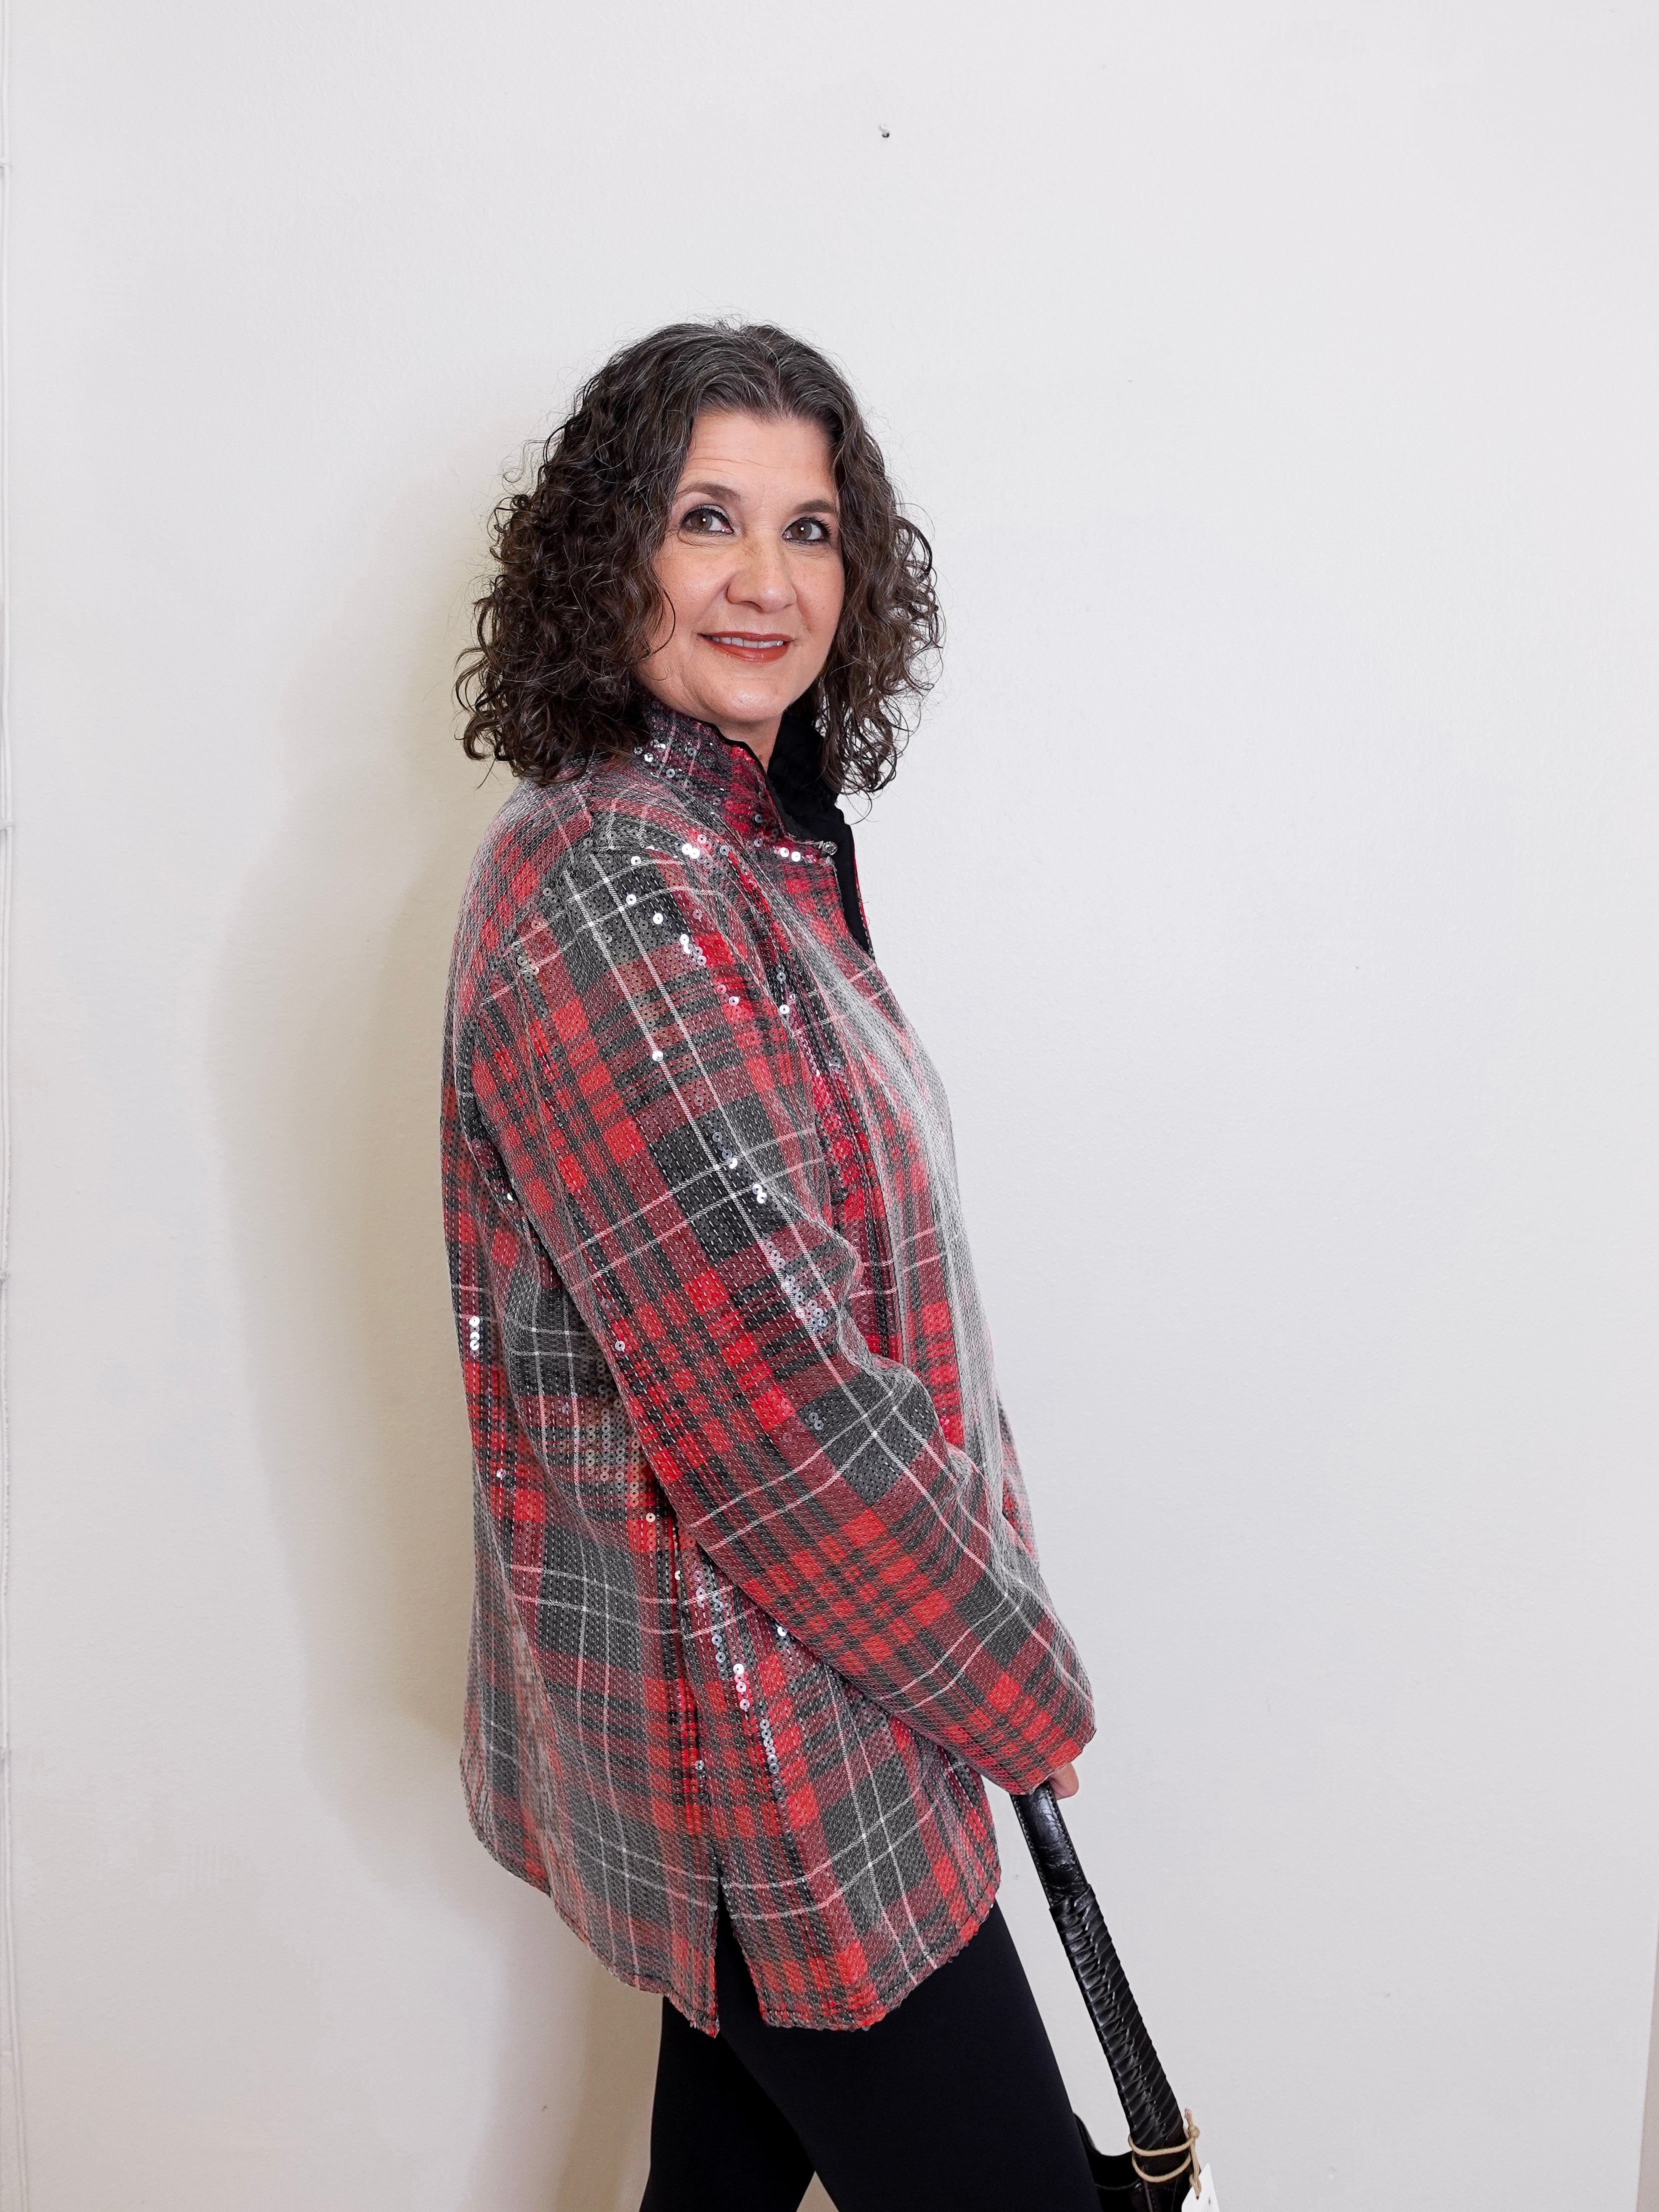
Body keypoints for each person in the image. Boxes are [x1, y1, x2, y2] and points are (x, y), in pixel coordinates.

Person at [444, 321, 1100, 2210]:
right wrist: (1014, 1677)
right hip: (774, 1752)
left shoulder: (740, 847)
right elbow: (774, 1405)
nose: (764, 579)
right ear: (608, 554)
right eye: (706, 517)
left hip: (797, 1699)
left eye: (809, 531)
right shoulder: (618, 886)